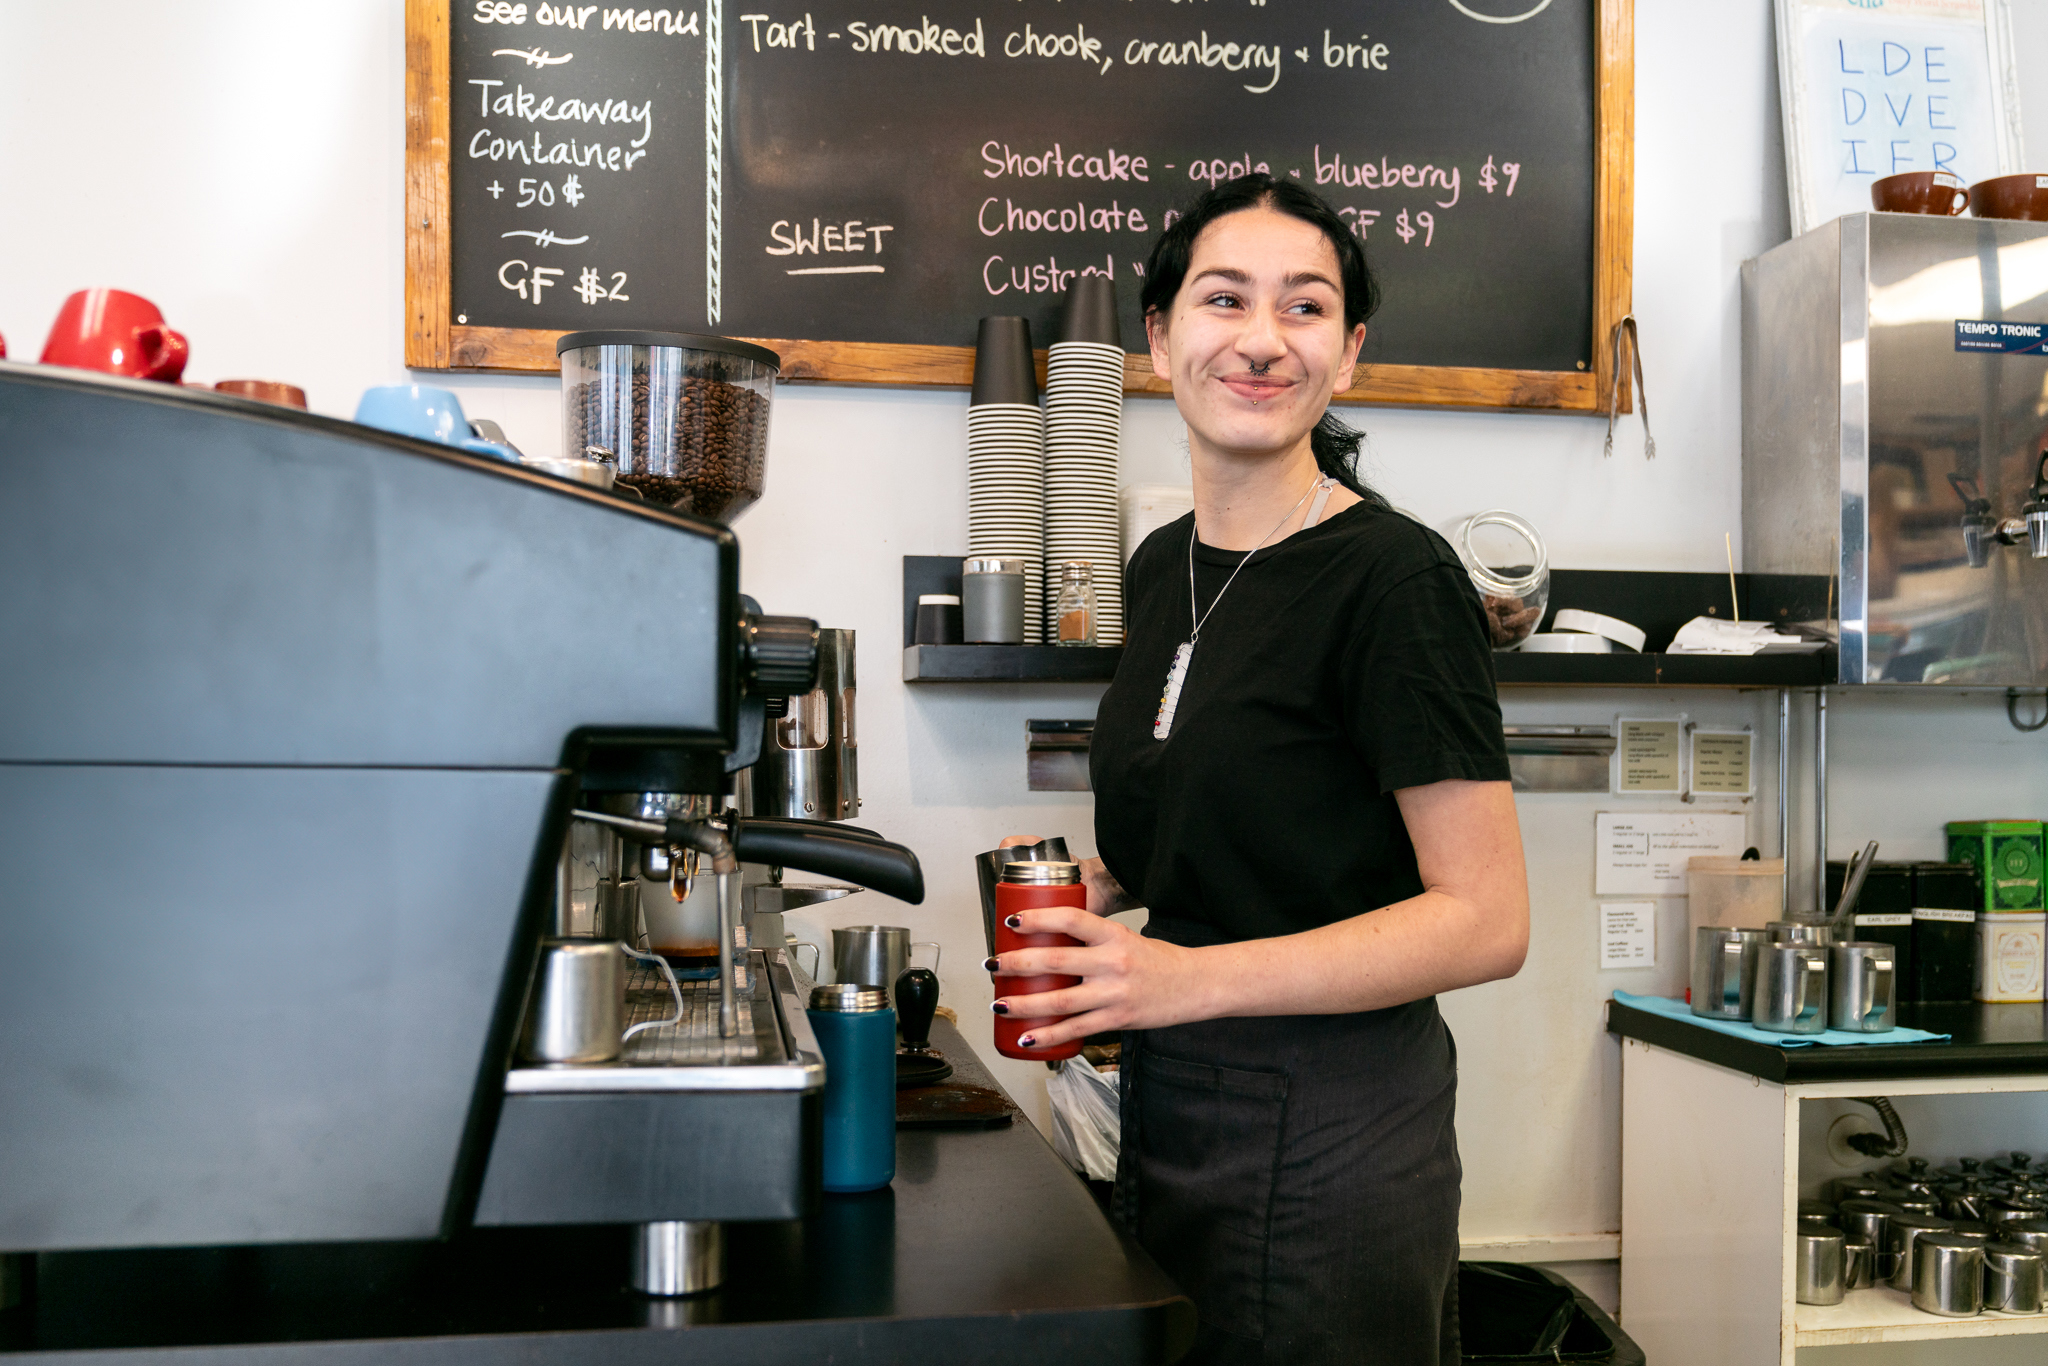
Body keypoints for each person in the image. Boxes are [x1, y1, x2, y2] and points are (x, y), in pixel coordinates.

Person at [991, 174, 1529, 1365]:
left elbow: (1484, 920)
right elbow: (1199, 834)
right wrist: (1081, 900)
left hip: (1339, 1130)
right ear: (1158, 334)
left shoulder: (1392, 580)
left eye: (1304, 307)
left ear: (1347, 353)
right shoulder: (1156, 565)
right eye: (1222, 298)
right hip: (1171, 1107)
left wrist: (1179, 979)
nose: (1259, 338)